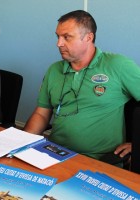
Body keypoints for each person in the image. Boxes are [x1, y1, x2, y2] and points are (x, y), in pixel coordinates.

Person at [24, 10, 140, 164]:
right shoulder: (54, 70)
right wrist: (22, 142)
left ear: (88, 37)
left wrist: (137, 145)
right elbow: (42, 114)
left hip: (99, 160)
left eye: (66, 37)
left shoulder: (118, 66)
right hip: (53, 152)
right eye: (57, 37)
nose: (59, 43)